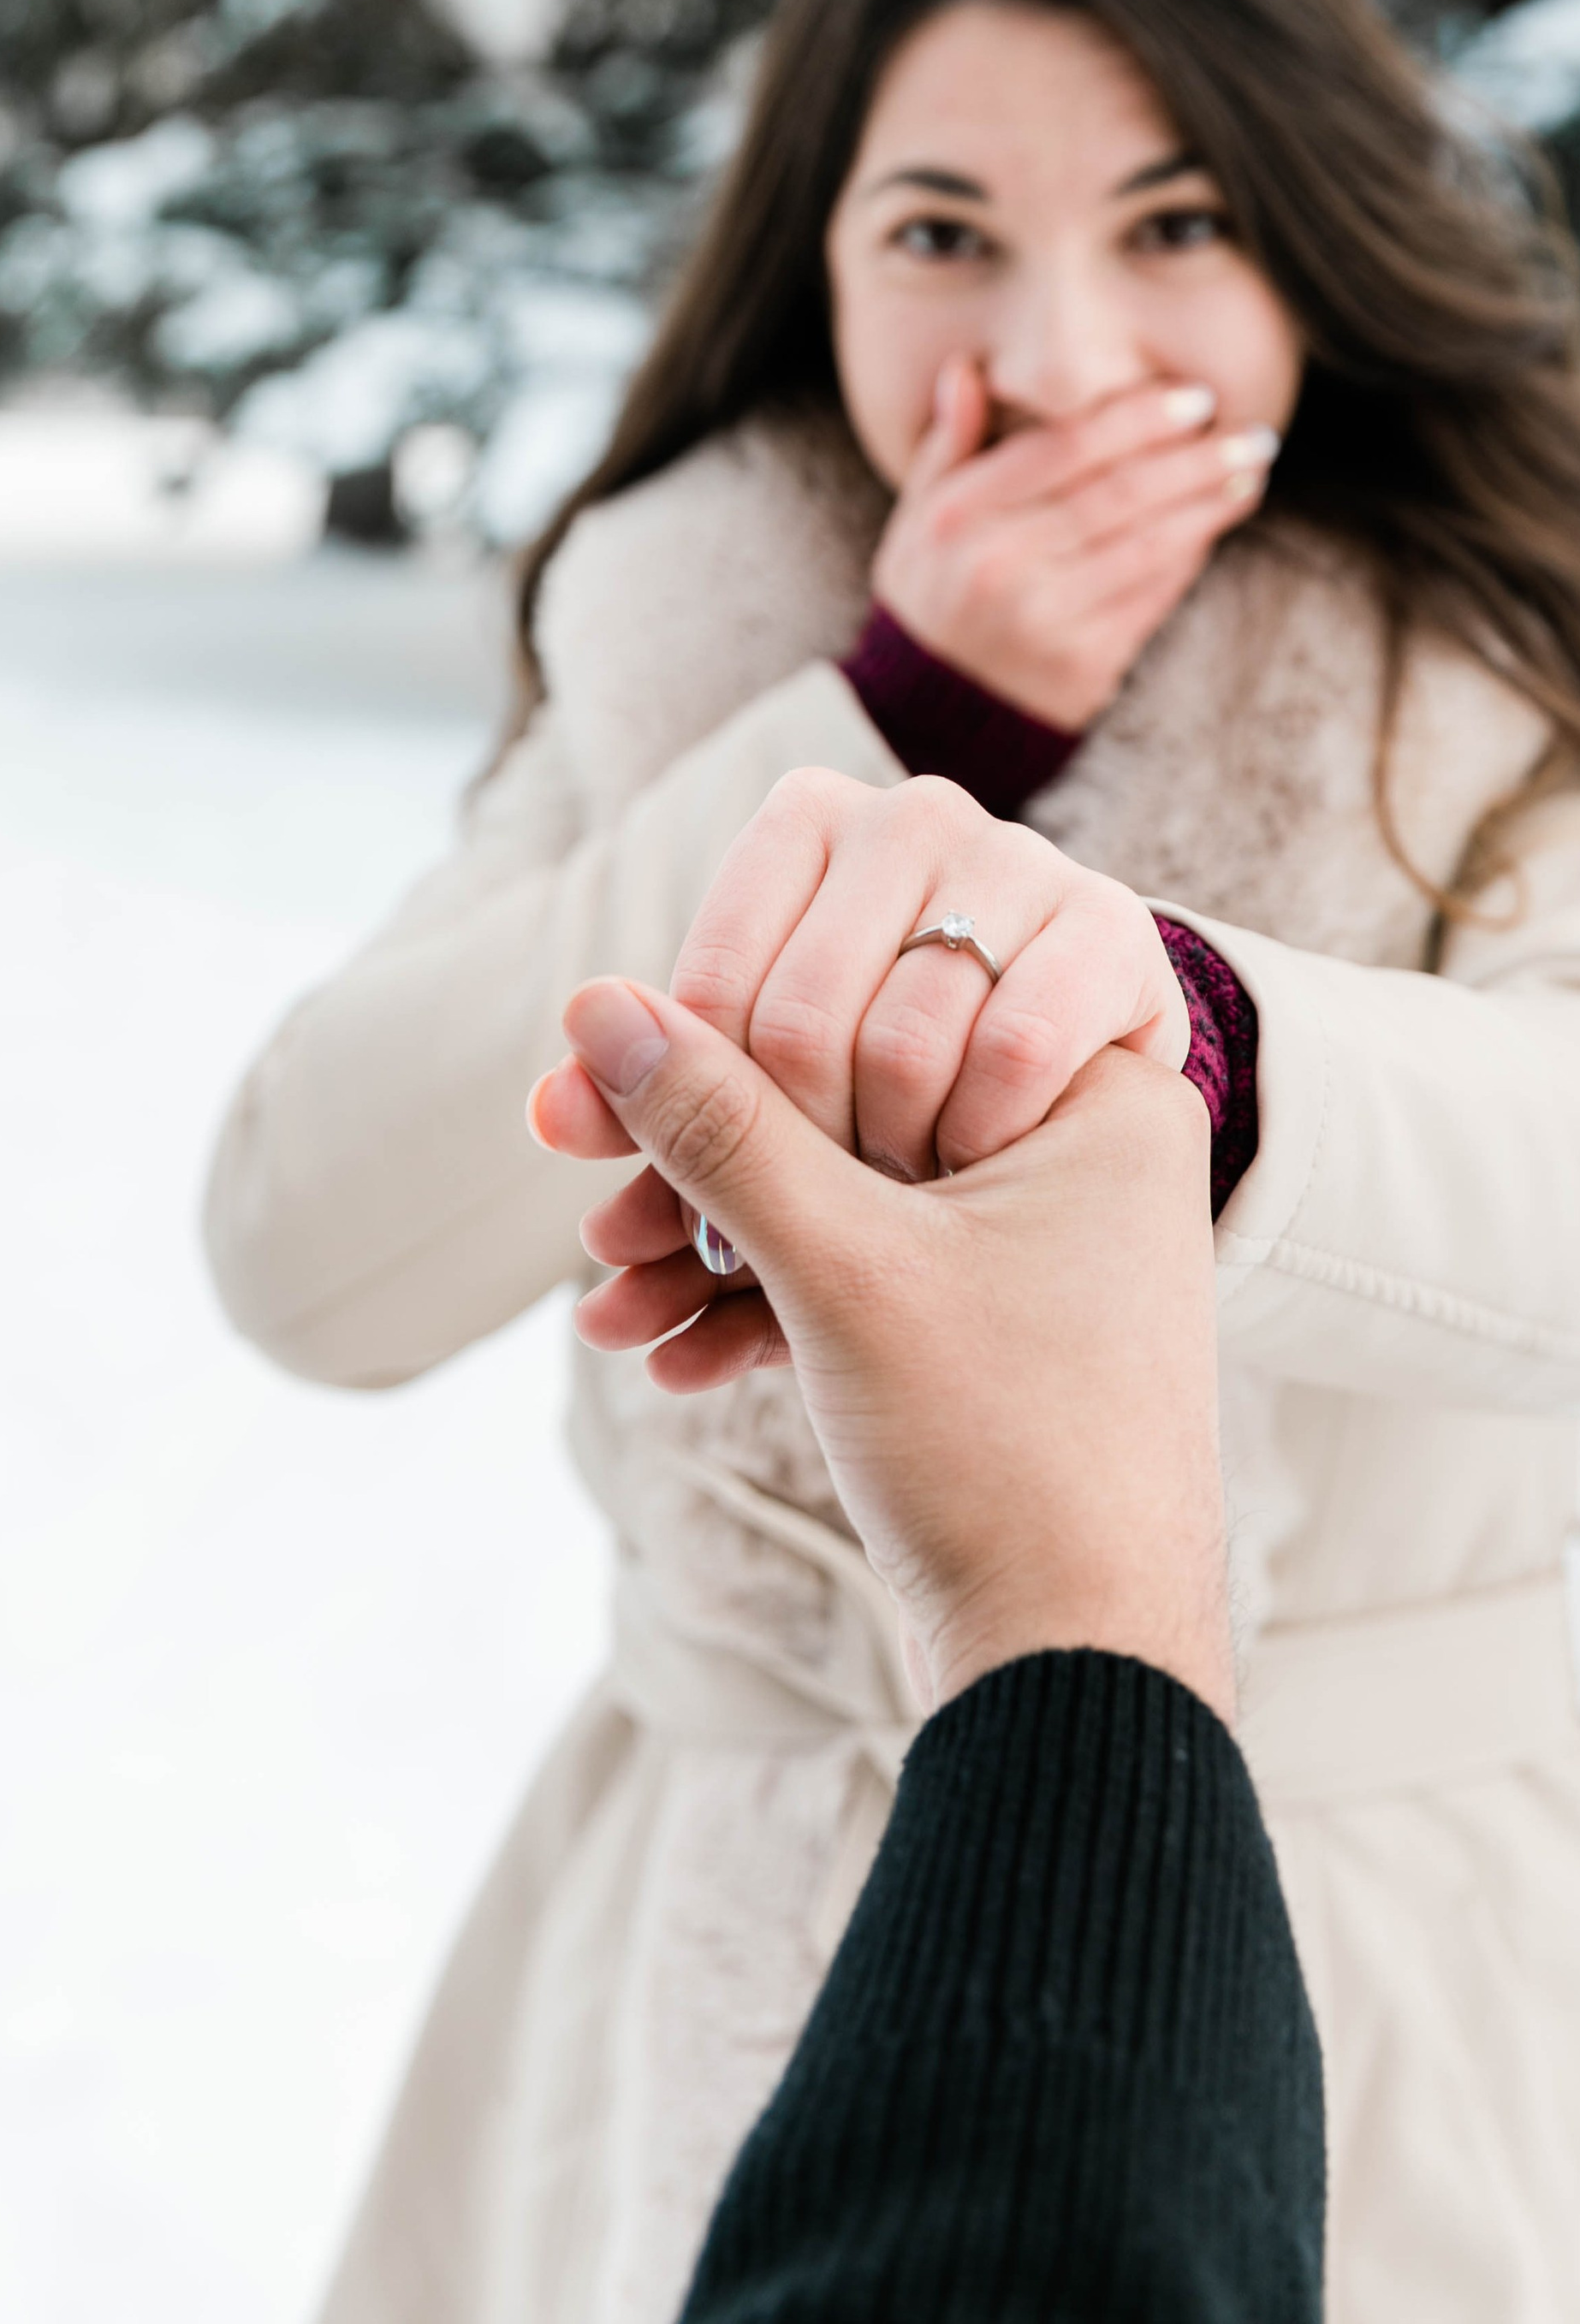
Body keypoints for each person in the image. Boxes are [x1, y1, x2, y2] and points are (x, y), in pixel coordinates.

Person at [205, 0, 1580, 2322]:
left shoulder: (1481, 665)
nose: (1060, 355)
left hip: (1369, 1987)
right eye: (943, 234)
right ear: (822, 264)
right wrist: (878, 721)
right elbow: (312, 1249)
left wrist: (1172, 1038)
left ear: (1315, 240)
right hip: (685, 1952)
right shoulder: (679, 640)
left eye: (1177, 225)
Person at [533, 973, 1325, 2321]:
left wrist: (1183, 1037)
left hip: (1294, 1904)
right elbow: (301, 1248)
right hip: (688, 1857)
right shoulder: (629, 759)